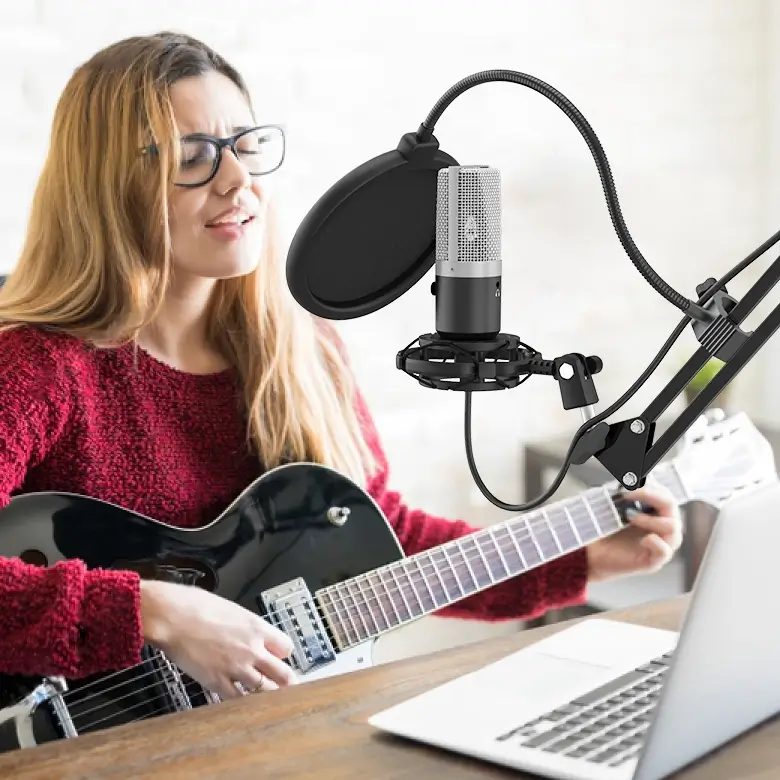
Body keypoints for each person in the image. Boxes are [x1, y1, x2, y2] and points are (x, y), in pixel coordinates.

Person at [0, 32, 682, 704]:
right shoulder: (37, 366)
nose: (239, 181)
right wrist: (155, 612)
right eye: (195, 156)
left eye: (245, 146)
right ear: (108, 183)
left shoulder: (303, 349)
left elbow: (382, 542)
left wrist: (581, 555)